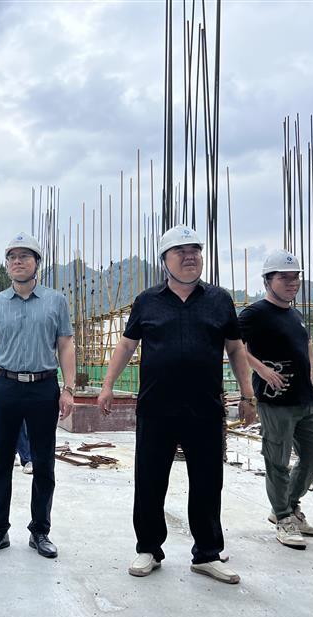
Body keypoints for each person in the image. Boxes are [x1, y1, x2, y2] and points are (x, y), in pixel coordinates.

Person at [96, 225, 257, 585]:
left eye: (195, 251)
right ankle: (148, 548)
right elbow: (126, 345)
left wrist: (248, 396)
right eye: (180, 252)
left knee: (207, 482)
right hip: (157, 408)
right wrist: (107, 386)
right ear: (164, 261)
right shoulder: (147, 301)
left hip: (205, 408)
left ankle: (207, 554)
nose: (189, 257)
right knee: (150, 481)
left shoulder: (219, 300)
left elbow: (235, 349)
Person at [0, 232, 75, 559]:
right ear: (7, 265)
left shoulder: (56, 301)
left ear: (37, 263)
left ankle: (40, 531)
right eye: (12, 257)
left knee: (44, 463)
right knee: (0, 462)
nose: (18, 261)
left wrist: (68, 389)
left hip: (44, 387)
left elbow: (65, 345)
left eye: (25, 256)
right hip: (6, 386)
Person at [238, 249, 313, 550]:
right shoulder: (254, 314)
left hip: (306, 399)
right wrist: (261, 370)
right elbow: (235, 346)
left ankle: (289, 504)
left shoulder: (295, 314)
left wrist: (311, 368)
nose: (292, 283)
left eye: (295, 277)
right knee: (277, 460)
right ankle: (284, 516)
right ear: (267, 280)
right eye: (284, 278)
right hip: (276, 402)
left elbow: (307, 342)